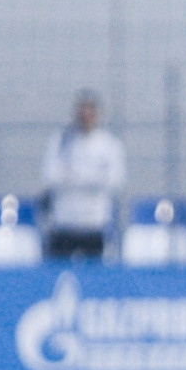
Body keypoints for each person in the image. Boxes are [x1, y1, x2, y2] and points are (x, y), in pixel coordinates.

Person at [41, 89, 125, 260]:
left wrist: (76, 176)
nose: (86, 117)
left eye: (90, 112)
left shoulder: (109, 144)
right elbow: (50, 175)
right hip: (64, 222)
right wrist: (90, 177)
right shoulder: (61, 141)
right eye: (82, 112)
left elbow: (115, 179)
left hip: (94, 223)